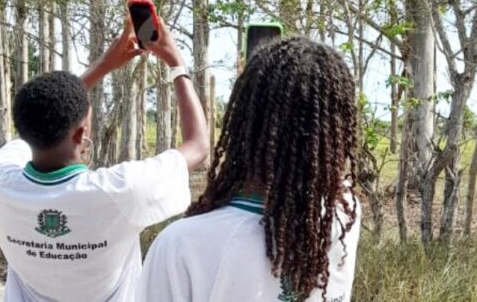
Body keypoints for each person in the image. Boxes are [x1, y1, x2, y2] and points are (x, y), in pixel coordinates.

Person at [0, 17, 209, 302]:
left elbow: (41, 118)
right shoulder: (120, 192)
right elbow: (198, 146)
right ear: (80, 133)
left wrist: (103, 66)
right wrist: (176, 62)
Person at [139, 37, 360, 302]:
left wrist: (179, 66)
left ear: (243, 122)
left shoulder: (182, 246)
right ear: (339, 133)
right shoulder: (343, 216)